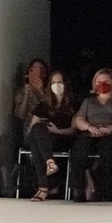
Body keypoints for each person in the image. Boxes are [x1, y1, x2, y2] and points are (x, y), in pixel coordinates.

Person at [69, 68, 112, 202]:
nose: (102, 84)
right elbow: (79, 119)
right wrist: (89, 127)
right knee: (78, 150)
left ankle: (107, 191)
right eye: (99, 81)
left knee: (109, 150)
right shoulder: (88, 101)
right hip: (90, 132)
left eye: (106, 81)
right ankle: (78, 189)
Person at [25, 70, 76, 201]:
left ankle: (43, 187)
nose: (56, 85)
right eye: (53, 82)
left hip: (63, 139)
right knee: (37, 130)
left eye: (59, 82)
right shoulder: (43, 104)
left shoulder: (73, 104)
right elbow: (32, 128)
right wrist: (44, 130)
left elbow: (74, 130)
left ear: (65, 84)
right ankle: (50, 163)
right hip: (44, 140)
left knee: (36, 141)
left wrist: (57, 131)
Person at [14, 58, 50, 129]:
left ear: (45, 74)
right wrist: (26, 95)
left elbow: (52, 112)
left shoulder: (50, 91)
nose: (38, 72)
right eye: (34, 69)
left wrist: (42, 93)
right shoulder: (21, 91)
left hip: (47, 129)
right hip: (29, 130)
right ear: (29, 72)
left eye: (41, 70)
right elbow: (20, 116)